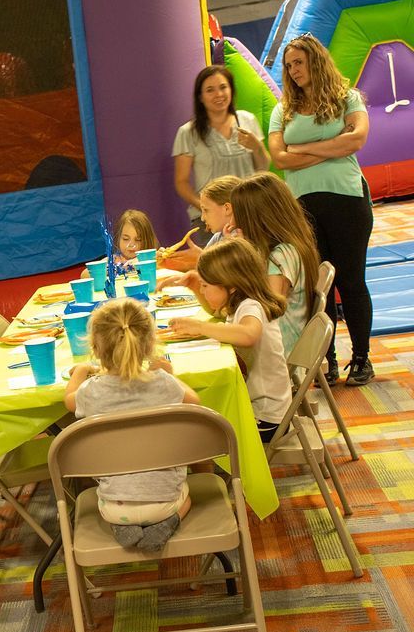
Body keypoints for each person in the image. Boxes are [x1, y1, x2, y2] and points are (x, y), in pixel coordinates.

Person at [268, 33, 373, 386]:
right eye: (289, 66)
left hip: (347, 199)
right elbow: (280, 158)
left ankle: (361, 358)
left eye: (299, 62)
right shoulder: (283, 110)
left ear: (316, 61)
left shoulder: (348, 98)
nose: (294, 70)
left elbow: (357, 139)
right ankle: (325, 360)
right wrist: (333, 146)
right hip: (302, 208)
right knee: (318, 288)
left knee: (351, 280)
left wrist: (302, 150)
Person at [64, 298, 200, 552]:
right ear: (149, 345)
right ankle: (170, 521)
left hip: (113, 506)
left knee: (114, 498)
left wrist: (81, 371)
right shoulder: (163, 383)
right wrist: (169, 373)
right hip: (165, 502)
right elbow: (194, 400)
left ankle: (121, 526)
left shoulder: (90, 392)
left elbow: (69, 401)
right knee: (188, 497)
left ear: (95, 348)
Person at [169, 239, 291, 443]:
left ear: (232, 285)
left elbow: (248, 334)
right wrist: (196, 288)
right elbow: (216, 312)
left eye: (206, 285)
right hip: (266, 408)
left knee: (192, 428)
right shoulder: (242, 301)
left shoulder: (251, 306)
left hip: (265, 417)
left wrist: (200, 327)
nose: (203, 290)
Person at [173, 66, 270, 245]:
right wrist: (206, 208)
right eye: (210, 90)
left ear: (231, 89)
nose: (218, 94)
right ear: (200, 97)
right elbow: (181, 182)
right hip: (211, 222)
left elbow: (263, 167)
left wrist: (256, 147)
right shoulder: (188, 132)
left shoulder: (247, 120)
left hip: (249, 215)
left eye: (223, 87)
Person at [230, 172, 321, 355]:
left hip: (278, 350)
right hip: (282, 343)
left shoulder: (280, 256)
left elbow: (269, 308)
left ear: (255, 218)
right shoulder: (291, 245)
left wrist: (242, 259)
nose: (232, 222)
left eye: (237, 215)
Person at [156, 175, 245, 291]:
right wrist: (169, 263)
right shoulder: (218, 237)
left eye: (206, 210)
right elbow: (204, 273)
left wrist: (201, 258)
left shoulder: (243, 240)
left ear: (227, 208)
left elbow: (227, 281)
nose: (202, 218)